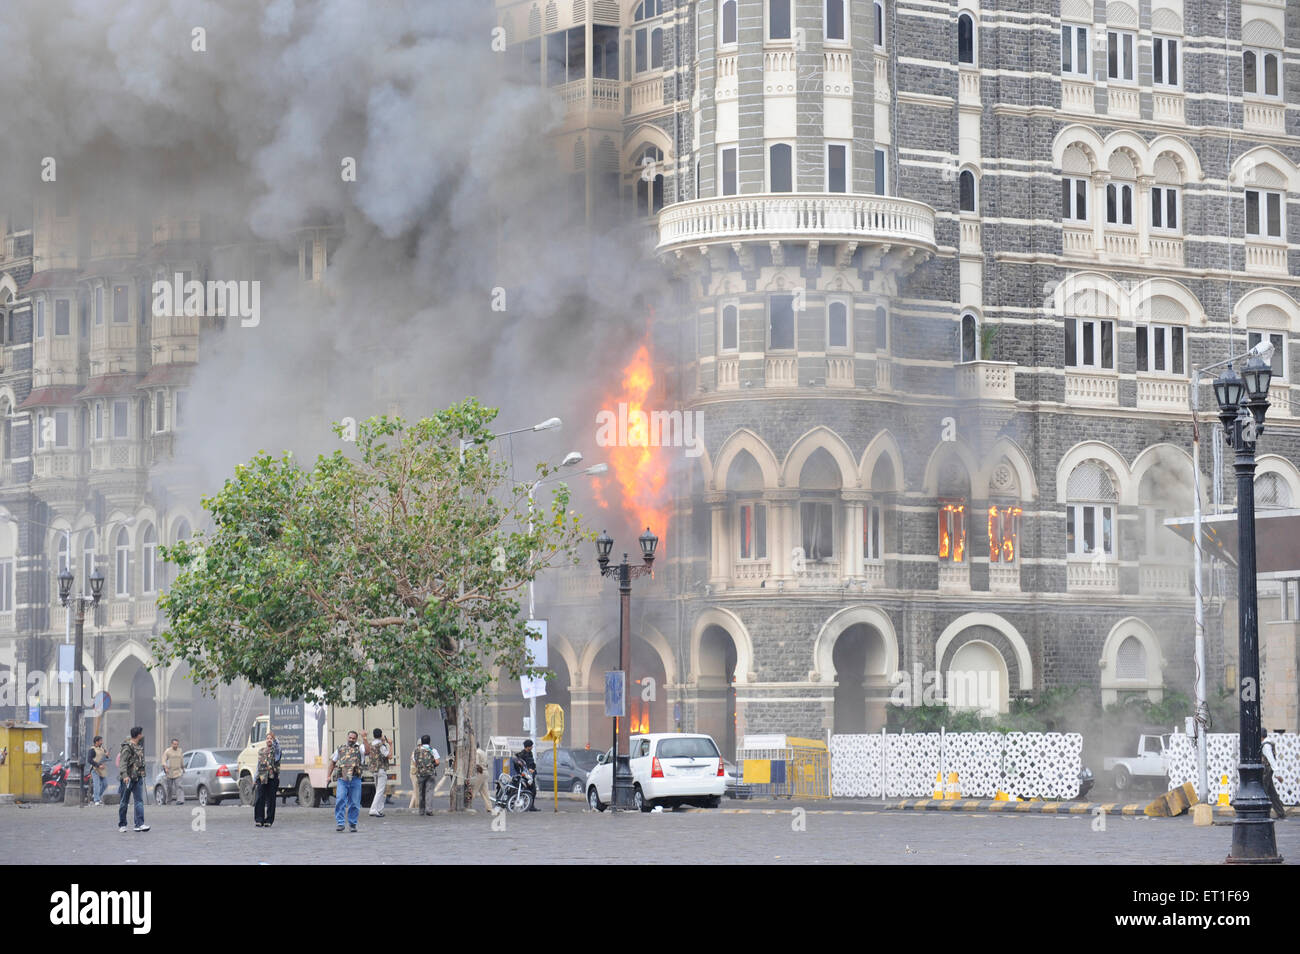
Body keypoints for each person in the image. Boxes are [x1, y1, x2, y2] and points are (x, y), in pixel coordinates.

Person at [327, 730, 368, 832]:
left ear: (356, 739)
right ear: (347, 737)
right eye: (350, 738)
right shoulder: (340, 749)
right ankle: (340, 823)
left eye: (353, 738)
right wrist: (328, 776)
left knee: (354, 802)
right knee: (340, 800)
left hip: (355, 779)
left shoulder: (360, 748)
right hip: (343, 779)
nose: (351, 740)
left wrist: (365, 738)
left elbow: (368, 751)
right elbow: (332, 762)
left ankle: (352, 823)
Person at [117, 727, 149, 833]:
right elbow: (123, 763)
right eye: (141, 733)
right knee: (124, 802)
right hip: (128, 779)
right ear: (138, 735)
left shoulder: (138, 746)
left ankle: (139, 824)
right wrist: (125, 775)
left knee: (139, 801)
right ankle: (122, 824)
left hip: (137, 778)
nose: (142, 735)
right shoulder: (127, 747)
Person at [254, 732, 281, 827]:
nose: (269, 740)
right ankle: (259, 819)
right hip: (261, 777)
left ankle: (269, 820)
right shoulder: (261, 751)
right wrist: (255, 777)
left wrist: (275, 740)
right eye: (267, 738)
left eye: (271, 738)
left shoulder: (276, 751)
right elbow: (258, 765)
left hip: (272, 778)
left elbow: (278, 747)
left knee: (271, 800)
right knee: (259, 798)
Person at [411, 735, 440, 815]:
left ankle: (421, 810)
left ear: (421, 742)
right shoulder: (432, 750)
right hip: (430, 774)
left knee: (421, 792)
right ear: (429, 741)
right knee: (429, 791)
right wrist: (432, 765)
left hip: (420, 774)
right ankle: (429, 810)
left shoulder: (416, 751)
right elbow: (437, 762)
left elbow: (414, 762)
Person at [367, 727, 392, 818]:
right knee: (380, 791)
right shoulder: (381, 746)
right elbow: (389, 756)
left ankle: (380, 809)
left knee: (379, 790)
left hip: (374, 770)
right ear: (381, 735)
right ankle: (373, 810)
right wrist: (391, 745)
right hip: (381, 770)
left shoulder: (371, 744)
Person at [515, 739, 539, 811]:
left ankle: (531, 806)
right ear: (527, 747)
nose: (532, 747)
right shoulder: (522, 754)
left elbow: (531, 763)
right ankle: (526, 806)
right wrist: (528, 770)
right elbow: (521, 765)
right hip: (526, 776)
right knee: (528, 791)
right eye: (531, 746)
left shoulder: (530, 753)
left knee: (533, 791)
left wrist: (533, 769)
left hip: (531, 775)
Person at [162, 738, 185, 804]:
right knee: (169, 788)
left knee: (179, 786)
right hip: (169, 772)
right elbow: (163, 760)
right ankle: (169, 801)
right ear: (172, 744)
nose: (176, 745)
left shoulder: (180, 750)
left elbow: (181, 760)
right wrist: (165, 767)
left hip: (178, 771)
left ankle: (180, 800)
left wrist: (183, 768)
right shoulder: (167, 751)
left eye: (177, 744)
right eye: (174, 744)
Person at [87, 736, 108, 806]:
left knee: (105, 784)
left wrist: (107, 755)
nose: (102, 742)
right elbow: (89, 760)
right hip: (95, 769)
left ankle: (96, 796)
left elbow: (105, 757)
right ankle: (96, 800)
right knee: (96, 785)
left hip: (102, 770)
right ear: (96, 742)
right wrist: (98, 765)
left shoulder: (102, 748)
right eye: (100, 741)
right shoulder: (92, 750)